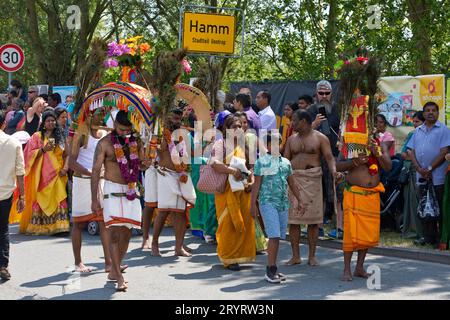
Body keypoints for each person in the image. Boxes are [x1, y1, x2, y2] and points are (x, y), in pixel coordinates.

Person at [91, 110, 146, 291]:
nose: (124, 133)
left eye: (128, 130)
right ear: (114, 125)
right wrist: (94, 199)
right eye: (121, 130)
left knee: (127, 232)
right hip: (112, 189)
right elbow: (95, 171)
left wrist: (150, 151)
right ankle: (119, 277)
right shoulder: (104, 143)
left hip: (131, 188)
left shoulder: (135, 141)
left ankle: (115, 269)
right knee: (114, 233)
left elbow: (144, 164)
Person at [284, 110, 338, 266]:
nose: (291, 124)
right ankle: (295, 256)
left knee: (313, 221)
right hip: (294, 180)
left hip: (312, 180)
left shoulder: (320, 138)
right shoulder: (291, 140)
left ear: (303, 121)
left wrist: (334, 172)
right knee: (293, 221)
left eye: (294, 121)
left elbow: (329, 157)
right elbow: (286, 161)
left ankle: (312, 256)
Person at [336, 133, 392, 281]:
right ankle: (346, 269)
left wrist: (377, 153)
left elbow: (388, 167)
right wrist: (354, 162)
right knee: (350, 233)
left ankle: (359, 267)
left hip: (372, 196)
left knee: (366, 234)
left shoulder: (379, 143)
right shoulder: (350, 143)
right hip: (354, 194)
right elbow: (337, 165)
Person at [251, 131, 302, 283]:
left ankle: (273, 267)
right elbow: (256, 185)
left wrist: (300, 200)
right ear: (266, 145)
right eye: (271, 143)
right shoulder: (262, 162)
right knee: (273, 236)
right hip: (267, 203)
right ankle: (270, 270)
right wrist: (252, 204)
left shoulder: (285, 162)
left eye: (277, 142)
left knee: (278, 236)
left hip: (282, 203)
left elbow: (292, 183)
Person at [149, 108, 196, 257]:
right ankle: (154, 244)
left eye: (179, 118)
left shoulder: (183, 135)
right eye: (174, 118)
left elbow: (189, 154)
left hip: (181, 175)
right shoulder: (159, 133)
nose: (177, 121)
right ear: (167, 118)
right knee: (163, 211)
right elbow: (151, 153)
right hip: (165, 175)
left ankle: (178, 247)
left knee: (181, 212)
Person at [69, 109, 112, 273]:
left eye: (103, 114)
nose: (101, 117)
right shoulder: (81, 133)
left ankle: (109, 263)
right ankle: (78, 262)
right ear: (89, 115)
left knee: (104, 223)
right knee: (79, 224)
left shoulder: (105, 134)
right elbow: (71, 163)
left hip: (101, 183)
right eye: (98, 114)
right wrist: (91, 173)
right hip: (83, 182)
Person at [211, 114, 256, 271]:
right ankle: (229, 258)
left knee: (245, 220)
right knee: (228, 223)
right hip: (226, 191)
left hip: (243, 191)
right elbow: (214, 164)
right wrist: (232, 171)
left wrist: (252, 180)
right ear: (226, 129)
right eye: (234, 127)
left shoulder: (244, 145)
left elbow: (251, 166)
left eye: (239, 126)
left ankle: (241, 254)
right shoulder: (220, 144)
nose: (238, 129)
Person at [19, 110, 70, 235]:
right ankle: (42, 225)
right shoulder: (37, 137)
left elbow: (67, 154)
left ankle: (60, 226)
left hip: (58, 173)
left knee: (59, 196)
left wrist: (66, 168)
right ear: (44, 123)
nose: (51, 123)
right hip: (42, 176)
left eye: (53, 120)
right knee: (42, 199)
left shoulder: (61, 136)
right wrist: (43, 149)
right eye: (48, 121)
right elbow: (28, 154)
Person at [407, 102, 450, 247]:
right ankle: (428, 237)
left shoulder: (444, 130)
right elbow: (410, 151)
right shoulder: (418, 130)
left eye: (433, 110)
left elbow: (444, 151)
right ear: (423, 113)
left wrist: (430, 168)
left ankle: (441, 239)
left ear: (438, 113)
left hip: (437, 177)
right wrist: (419, 169)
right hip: (421, 176)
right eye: (427, 110)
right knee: (425, 206)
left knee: (439, 207)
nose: (430, 113)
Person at [307, 80, 341, 231]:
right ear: (316, 94)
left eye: (327, 93)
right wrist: (313, 124)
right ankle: (317, 223)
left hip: (334, 154)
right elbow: (300, 133)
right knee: (317, 189)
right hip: (314, 156)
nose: (324, 96)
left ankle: (337, 223)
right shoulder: (310, 110)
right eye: (321, 93)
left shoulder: (338, 109)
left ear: (331, 94)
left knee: (334, 188)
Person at [0, 111, 25, 281]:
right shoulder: (14, 142)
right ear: (3, 124)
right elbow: (20, 172)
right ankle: (3, 265)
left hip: (6, 192)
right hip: (5, 193)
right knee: (2, 230)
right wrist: (22, 197)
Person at [400, 111, 425, 239]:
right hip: (414, 170)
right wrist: (414, 157)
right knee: (413, 201)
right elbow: (404, 153)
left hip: (430, 171)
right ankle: (415, 231)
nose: (415, 124)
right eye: (414, 122)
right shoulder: (412, 134)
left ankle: (427, 232)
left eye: (417, 122)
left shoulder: (429, 134)